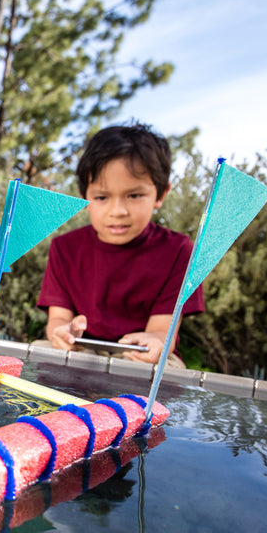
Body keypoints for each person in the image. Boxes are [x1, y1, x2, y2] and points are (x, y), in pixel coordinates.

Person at [37, 122, 204, 367]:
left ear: (161, 194)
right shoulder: (64, 248)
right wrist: (62, 332)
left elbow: (161, 332)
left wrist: (155, 342)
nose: (118, 211)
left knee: (167, 369)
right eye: (102, 197)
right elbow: (58, 319)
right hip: (82, 351)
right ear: (86, 197)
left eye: (134, 195)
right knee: (40, 351)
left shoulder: (179, 250)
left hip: (141, 357)